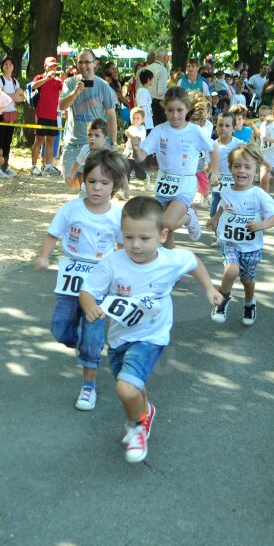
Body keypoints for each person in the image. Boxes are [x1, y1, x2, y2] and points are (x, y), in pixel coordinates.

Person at [79, 196, 223, 463]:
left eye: (144, 238)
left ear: (162, 234)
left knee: (125, 389)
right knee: (134, 385)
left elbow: (194, 263)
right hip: (120, 337)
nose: (135, 245)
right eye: (128, 237)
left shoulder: (171, 259)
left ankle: (135, 428)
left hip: (152, 336)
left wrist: (209, 288)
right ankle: (145, 412)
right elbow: (88, 290)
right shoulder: (112, 263)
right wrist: (89, 306)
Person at [34, 149, 126, 411]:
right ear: (84, 181)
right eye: (92, 181)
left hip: (100, 281)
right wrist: (43, 257)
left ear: (115, 185)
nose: (97, 188)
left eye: (104, 183)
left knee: (93, 331)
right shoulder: (71, 208)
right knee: (60, 329)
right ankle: (84, 344)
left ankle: (88, 386)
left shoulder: (117, 215)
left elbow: (121, 247)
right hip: (70, 277)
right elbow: (53, 234)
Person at [207, 143, 274, 325]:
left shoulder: (258, 194)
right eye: (237, 166)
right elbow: (224, 206)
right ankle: (222, 299)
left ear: (256, 171)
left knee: (247, 280)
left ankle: (249, 302)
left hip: (251, 247)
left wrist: (261, 225)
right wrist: (215, 219)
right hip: (228, 241)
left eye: (247, 167)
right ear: (231, 168)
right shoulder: (225, 190)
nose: (242, 171)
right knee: (232, 269)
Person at [139, 86, 217, 245]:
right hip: (164, 183)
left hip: (186, 183)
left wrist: (215, 171)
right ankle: (171, 265)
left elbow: (213, 147)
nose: (175, 115)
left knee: (167, 223)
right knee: (165, 233)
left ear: (187, 109)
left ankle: (189, 216)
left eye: (180, 110)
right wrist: (135, 148)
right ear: (165, 110)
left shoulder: (194, 131)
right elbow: (140, 156)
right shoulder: (158, 131)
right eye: (170, 110)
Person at [59, 50, 119, 180]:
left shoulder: (104, 86)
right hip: (73, 142)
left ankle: (87, 195)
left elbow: (112, 117)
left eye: (87, 62)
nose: (83, 65)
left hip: (95, 143)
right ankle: (85, 191)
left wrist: (113, 143)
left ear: (95, 63)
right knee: (69, 179)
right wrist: (75, 93)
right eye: (80, 62)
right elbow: (62, 106)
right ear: (76, 63)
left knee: (92, 179)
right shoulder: (70, 83)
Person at [30, 56, 64, 177]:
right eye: (51, 65)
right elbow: (33, 86)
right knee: (39, 140)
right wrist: (47, 78)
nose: (53, 68)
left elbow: (65, 90)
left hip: (53, 116)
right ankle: (33, 166)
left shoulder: (57, 80)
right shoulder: (40, 77)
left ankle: (49, 165)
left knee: (50, 141)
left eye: (55, 66)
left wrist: (64, 80)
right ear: (45, 66)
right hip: (41, 115)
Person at [0, 56, 26, 176]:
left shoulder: (14, 81)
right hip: (1, 114)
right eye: (5, 64)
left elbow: (22, 97)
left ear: (13, 66)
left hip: (11, 114)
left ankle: (5, 165)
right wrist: (14, 95)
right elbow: (0, 96)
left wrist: (11, 95)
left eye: (10, 64)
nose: (8, 66)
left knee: (7, 141)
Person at [146, 48, 171, 124]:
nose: (168, 59)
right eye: (167, 57)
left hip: (146, 103)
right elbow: (161, 92)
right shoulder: (162, 70)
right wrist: (170, 89)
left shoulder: (147, 68)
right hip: (158, 105)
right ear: (164, 57)